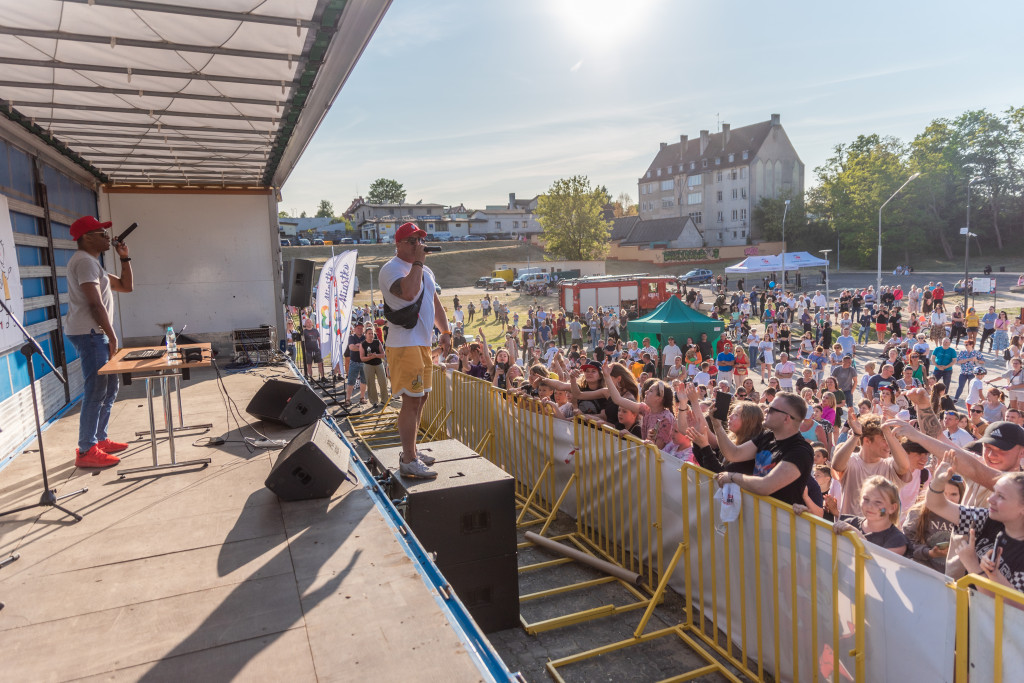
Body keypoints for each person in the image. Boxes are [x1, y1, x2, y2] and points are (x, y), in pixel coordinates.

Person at [379, 222, 450, 479]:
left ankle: (413, 451)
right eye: (412, 240)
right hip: (404, 343)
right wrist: (418, 264)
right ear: (398, 244)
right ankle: (408, 459)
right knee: (410, 401)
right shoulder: (391, 269)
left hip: (422, 343)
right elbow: (409, 293)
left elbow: (434, 302)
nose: (418, 244)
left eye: (420, 239)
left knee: (421, 399)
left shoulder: (425, 271)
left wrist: (445, 331)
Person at [65, 215, 134, 468]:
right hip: (90, 333)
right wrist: (112, 334)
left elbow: (126, 286)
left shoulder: (94, 263)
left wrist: (124, 257)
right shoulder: (84, 262)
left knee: (109, 388)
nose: (107, 237)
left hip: (96, 332)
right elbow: (95, 303)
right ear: (86, 238)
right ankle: (86, 451)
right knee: (95, 390)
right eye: (101, 233)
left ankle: (99, 440)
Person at [926, 451, 1024, 591]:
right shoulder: (987, 518)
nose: (990, 499)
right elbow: (937, 505)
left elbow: (1013, 606)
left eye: (1001, 496)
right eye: (994, 492)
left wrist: (973, 565)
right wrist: (938, 482)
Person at [710, 392, 815, 506]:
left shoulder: (800, 451)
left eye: (771, 409)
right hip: (759, 515)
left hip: (780, 521)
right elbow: (734, 454)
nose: (765, 410)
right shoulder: (768, 435)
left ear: (786, 418)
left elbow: (765, 486)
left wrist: (732, 476)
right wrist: (717, 425)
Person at [830, 414, 912, 515]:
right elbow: (837, 465)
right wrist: (856, 435)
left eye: (890, 439)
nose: (889, 445)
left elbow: (904, 467)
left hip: (882, 531)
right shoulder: (851, 461)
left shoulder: (890, 464)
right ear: (867, 441)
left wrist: (888, 433)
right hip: (850, 529)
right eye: (884, 439)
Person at [903, 473, 966, 572]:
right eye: (943, 493)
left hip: (951, 579)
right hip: (921, 572)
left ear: (961, 495)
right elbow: (906, 544)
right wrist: (929, 553)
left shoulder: (966, 516)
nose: (948, 499)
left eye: (953, 494)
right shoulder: (918, 512)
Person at [830, 476, 909, 556]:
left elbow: (877, 565)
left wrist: (857, 537)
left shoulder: (897, 541)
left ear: (892, 508)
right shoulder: (849, 523)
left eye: (878, 502)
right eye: (866, 499)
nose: (870, 506)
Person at [359, 326, 388, 408]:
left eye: (372, 333)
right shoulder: (363, 344)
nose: (371, 335)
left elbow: (383, 355)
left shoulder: (377, 342)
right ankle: (374, 402)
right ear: (365, 334)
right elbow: (362, 358)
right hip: (368, 365)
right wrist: (370, 357)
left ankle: (384, 400)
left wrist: (376, 355)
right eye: (369, 333)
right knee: (371, 384)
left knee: (383, 382)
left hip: (379, 364)